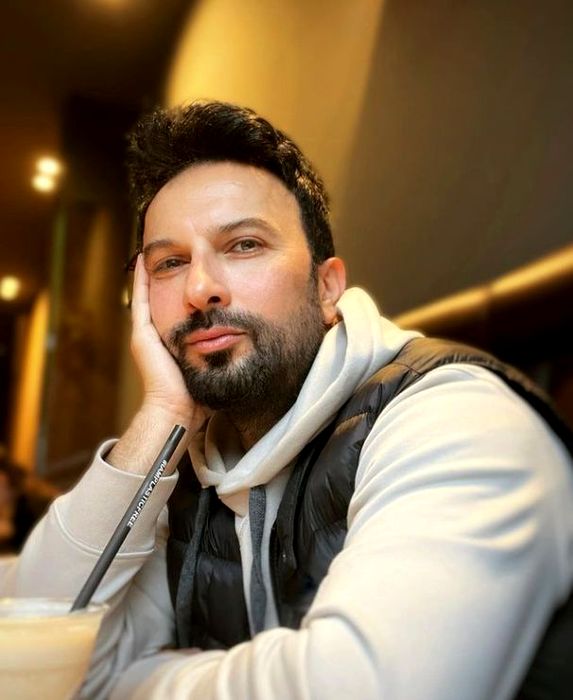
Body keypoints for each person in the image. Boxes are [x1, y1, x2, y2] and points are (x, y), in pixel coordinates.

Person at [3, 101, 573, 700]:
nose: (200, 288)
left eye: (244, 245)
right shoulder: (186, 478)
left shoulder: (456, 417)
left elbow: (363, 690)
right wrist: (162, 417)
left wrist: (128, 681)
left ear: (327, 288)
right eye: (170, 263)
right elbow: (29, 660)